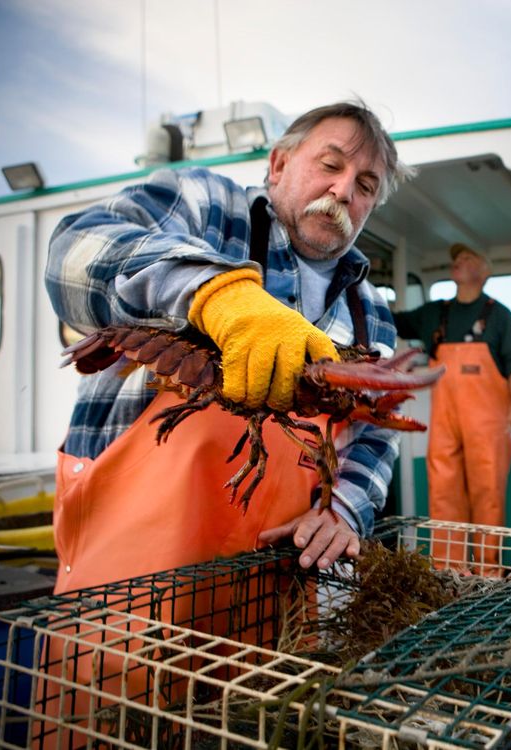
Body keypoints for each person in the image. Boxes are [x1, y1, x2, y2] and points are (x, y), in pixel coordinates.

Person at [45, 101, 413, 595]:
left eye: (366, 186)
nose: (343, 190)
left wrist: (345, 507)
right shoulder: (204, 204)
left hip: (280, 578)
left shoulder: (372, 311)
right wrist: (216, 293)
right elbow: (75, 248)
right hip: (127, 565)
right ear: (279, 163)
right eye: (330, 165)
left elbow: (375, 432)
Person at [393, 243, 511, 574]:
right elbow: (390, 320)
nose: (458, 261)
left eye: (468, 257)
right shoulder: (434, 313)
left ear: (484, 273)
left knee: (488, 492)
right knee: (442, 493)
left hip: (488, 423)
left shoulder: (499, 315)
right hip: (445, 421)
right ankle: (449, 571)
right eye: (455, 258)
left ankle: (487, 572)